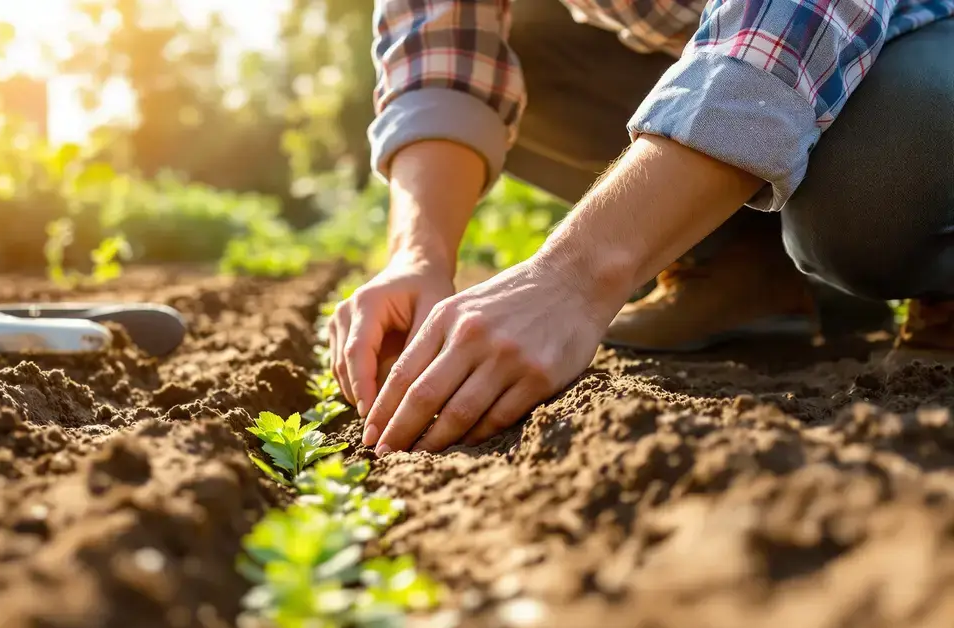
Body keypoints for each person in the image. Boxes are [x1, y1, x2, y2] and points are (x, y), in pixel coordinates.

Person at [327, 0, 954, 456]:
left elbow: (791, 26)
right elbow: (439, 54)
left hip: (909, 29)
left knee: (873, 197)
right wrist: (418, 256)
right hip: (714, 44)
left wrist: (572, 278)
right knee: (526, 39)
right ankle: (741, 266)